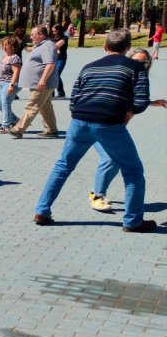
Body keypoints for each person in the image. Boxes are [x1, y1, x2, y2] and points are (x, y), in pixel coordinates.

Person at [31, 30, 158, 232]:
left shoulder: (89, 67)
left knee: (63, 166)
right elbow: (141, 100)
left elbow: (74, 99)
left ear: (105, 47)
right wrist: (128, 113)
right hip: (109, 124)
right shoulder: (136, 67)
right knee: (133, 171)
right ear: (127, 48)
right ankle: (133, 221)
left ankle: (42, 210)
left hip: (79, 122)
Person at [88, 49, 167, 210]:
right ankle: (97, 196)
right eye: (136, 61)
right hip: (97, 123)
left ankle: (96, 191)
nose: (140, 64)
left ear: (148, 64)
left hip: (114, 127)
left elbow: (135, 100)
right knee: (109, 159)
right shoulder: (122, 75)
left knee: (116, 161)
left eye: (144, 62)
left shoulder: (139, 79)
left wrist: (151, 103)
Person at [9, 26, 59, 139]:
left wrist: (43, 79)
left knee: (33, 105)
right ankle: (51, 130)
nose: (31, 37)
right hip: (39, 83)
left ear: (41, 35)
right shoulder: (41, 45)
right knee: (45, 106)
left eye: (33, 35)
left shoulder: (47, 45)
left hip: (41, 83)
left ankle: (18, 129)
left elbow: (50, 64)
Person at [0, 36, 24, 132]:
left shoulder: (15, 58)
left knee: (5, 104)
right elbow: (1, 72)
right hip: (2, 83)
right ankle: (15, 120)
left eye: (7, 45)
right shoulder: (4, 57)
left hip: (10, 83)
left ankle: (6, 125)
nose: (4, 47)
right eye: (3, 45)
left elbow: (16, 72)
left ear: (13, 46)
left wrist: (12, 85)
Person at [52, 24, 69, 99]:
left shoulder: (64, 38)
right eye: (52, 31)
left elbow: (56, 45)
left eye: (55, 31)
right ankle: (51, 94)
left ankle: (61, 94)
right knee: (51, 75)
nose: (53, 33)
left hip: (61, 59)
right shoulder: (53, 38)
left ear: (59, 30)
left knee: (56, 74)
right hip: (53, 59)